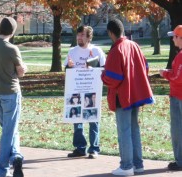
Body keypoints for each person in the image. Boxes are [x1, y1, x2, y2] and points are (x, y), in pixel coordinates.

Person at [101, 19, 154, 176]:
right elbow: (145, 67)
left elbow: (113, 77)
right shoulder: (134, 45)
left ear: (111, 33)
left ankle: (126, 166)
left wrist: (102, 75)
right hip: (135, 94)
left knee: (124, 131)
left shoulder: (117, 50)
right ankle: (138, 164)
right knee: (134, 129)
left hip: (122, 96)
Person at [0, 17, 27, 177]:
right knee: (8, 132)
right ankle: (1, 169)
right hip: (11, 92)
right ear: (13, 31)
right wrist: (24, 68)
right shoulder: (12, 48)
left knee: (9, 129)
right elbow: (20, 72)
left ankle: (16, 156)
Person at [64, 25, 106, 159]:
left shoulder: (97, 51)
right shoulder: (72, 51)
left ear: (89, 37)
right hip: (76, 89)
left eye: (82, 35)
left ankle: (94, 148)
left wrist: (93, 67)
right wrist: (68, 66)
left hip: (92, 89)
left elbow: (104, 68)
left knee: (93, 118)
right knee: (77, 119)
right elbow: (66, 71)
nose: (79, 37)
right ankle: (80, 147)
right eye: (78, 35)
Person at [159, 25, 182, 171]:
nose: (172, 39)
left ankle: (179, 161)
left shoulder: (180, 56)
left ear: (180, 38)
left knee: (177, 129)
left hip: (178, 96)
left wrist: (165, 74)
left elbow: (178, 77)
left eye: (174, 36)